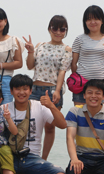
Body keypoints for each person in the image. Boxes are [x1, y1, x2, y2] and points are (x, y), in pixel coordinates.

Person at [25, 15, 72, 159]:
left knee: (50, 126)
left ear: (66, 31)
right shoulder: (40, 45)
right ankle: (28, 155)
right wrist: (30, 51)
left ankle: (43, 158)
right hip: (34, 88)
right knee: (30, 124)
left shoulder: (66, 49)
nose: (58, 32)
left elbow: (62, 71)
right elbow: (30, 66)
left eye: (62, 29)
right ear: (49, 29)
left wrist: (57, 90)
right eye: (54, 29)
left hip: (52, 90)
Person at [70, 5, 104, 106]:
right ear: (85, 22)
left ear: (102, 21)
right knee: (79, 114)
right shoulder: (79, 39)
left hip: (101, 86)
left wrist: (102, 79)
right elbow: (73, 63)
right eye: (89, 19)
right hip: (81, 86)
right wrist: (78, 79)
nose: (92, 22)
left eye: (96, 19)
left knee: (102, 114)